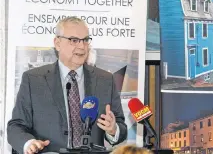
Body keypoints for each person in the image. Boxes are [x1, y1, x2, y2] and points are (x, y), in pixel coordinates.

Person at [7, 17, 127, 154]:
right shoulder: (33, 80)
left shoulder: (105, 80)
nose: (82, 46)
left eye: (86, 40)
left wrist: (113, 130)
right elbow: (16, 126)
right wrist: (29, 143)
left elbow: (121, 127)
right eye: (74, 40)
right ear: (57, 43)